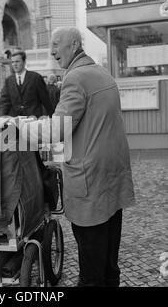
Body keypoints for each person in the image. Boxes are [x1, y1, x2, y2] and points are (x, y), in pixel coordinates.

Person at [49, 27, 136, 287]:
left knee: (91, 265)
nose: (52, 50)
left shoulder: (75, 78)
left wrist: (19, 130)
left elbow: (58, 129)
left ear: (74, 44)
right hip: (111, 180)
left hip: (90, 187)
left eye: (56, 44)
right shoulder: (101, 73)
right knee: (110, 259)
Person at [0, 50, 53, 118]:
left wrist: (49, 116)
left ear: (24, 62)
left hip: (34, 120)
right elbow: (4, 101)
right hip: (15, 121)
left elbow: (45, 100)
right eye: (12, 62)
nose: (14, 64)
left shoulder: (36, 78)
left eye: (17, 61)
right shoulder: (8, 81)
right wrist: (2, 117)